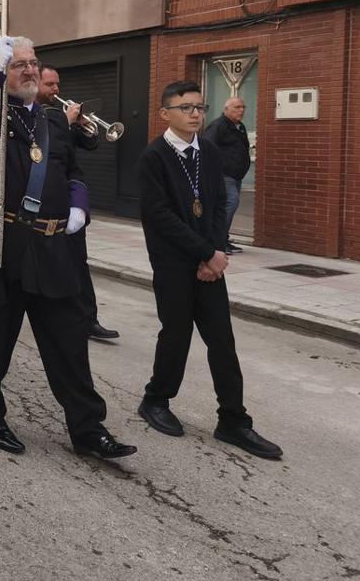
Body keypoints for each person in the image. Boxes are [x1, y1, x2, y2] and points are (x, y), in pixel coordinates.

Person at [0, 36, 136, 460]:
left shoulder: (54, 121)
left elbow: (73, 172)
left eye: (33, 63)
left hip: (53, 248)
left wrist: (79, 207)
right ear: (3, 72)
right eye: (18, 64)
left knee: (68, 344)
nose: (29, 70)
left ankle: (87, 428)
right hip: (3, 248)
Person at [136, 81, 281, 460]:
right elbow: (160, 217)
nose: (196, 113)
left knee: (222, 341)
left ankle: (233, 420)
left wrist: (215, 252)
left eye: (200, 106)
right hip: (173, 265)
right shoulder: (153, 157)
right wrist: (205, 252)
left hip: (209, 263)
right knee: (176, 335)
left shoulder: (210, 153)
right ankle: (155, 400)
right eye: (186, 108)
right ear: (165, 113)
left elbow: (218, 206)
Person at [37, 65, 120, 342]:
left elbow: (87, 146)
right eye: (49, 85)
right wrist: (67, 122)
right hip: (42, 201)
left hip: (68, 196)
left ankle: (88, 319)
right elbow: (45, 149)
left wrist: (87, 128)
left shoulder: (61, 115)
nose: (56, 90)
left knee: (78, 262)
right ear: (35, 85)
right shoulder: (34, 115)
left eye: (57, 84)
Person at [203, 97, 251, 255]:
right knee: (231, 202)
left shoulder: (240, 127)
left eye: (243, 107)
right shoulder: (218, 126)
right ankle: (217, 241)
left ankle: (223, 239)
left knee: (227, 206)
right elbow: (206, 148)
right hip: (224, 175)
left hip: (236, 175)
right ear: (226, 109)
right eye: (237, 107)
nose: (241, 110)